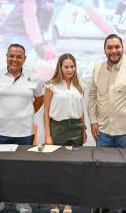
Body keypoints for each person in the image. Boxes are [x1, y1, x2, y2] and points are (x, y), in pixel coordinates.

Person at [0, 43, 44, 213]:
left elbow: (39, 99)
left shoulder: (33, 77)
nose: (14, 59)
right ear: (6, 56)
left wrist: (26, 113)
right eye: (11, 56)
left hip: (25, 133)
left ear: (24, 59)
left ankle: (21, 202)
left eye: (19, 56)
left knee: (21, 169)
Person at [1, 0, 117, 61]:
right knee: (32, 64)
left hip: (44, 33)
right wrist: (39, 44)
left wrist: (117, 39)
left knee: (53, 71)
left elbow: (95, 15)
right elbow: (29, 14)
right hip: (18, 30)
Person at [43, 53, 87, 213]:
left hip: (75, 130)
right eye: (66, 66)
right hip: (58, 129)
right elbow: (46, 111)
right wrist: (48, 135)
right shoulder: (51, 85)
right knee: (55, 168)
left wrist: (84, 128)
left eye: (72, 66)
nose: (70, 70)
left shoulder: (80, 85)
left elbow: (81, 109)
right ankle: (54, 203)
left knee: (71, 168)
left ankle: (68, 203)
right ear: (60, 68)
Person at [88, 34, 126, 149]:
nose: (114, 51)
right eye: (109, 48)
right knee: (103, 166)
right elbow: (92, 97)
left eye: (117, 47)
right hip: (102, 132)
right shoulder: (97, 68)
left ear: (123, 48)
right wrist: (93, 121)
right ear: (104, 50)